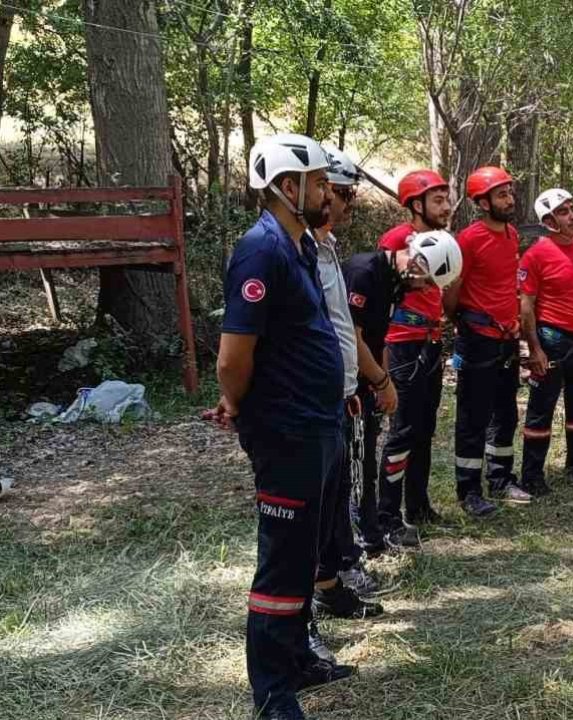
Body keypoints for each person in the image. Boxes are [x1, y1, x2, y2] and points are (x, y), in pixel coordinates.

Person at [214, 133, 352, 720]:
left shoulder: (299, 247)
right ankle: (271, 692)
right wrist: (235, 401)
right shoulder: (260, 251)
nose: (328, 192)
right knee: (281, 559)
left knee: (305, 553)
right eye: (319, 182)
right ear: (286, 187)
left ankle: (297, 656)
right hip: (287, 429)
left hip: (318, 424)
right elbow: (232, 355)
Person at [307, 146, 384, 656]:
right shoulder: (289, 252)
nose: (349, 201)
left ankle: (330, 587)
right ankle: (300, 618)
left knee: (334, 501)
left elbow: (343, 329)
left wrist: (361, 382)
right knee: (305, 514)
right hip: (306, 406)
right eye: (341, 191)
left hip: (340, 396)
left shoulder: (327, 246)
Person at [370, 170, 454, 548]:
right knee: (402, 431)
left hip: (430, 342)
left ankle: (418, 505)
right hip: (403, 346)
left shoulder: (441, 241)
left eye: (446, 198)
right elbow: (380, 288)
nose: (447, 206)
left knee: (423, 428)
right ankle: (387, 516)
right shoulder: (396, 240)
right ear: (416, 205)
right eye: (437, 200)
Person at [443, 166, 534, 517]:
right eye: (501, 195)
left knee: (505, 412)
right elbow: (452, 290)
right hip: (477, 338)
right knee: (472, 416)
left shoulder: (512, 234)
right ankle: (468, 490)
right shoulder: (468, 239)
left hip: (506, 339)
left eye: (510, 193)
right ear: (482, 202)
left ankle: (500, 479)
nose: (509, 200)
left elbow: (505, 284)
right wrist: (463, 321)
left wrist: (512, 322)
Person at [517, 188, 573, 495]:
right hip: (552, 341)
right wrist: (534, 349)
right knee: (541, 409)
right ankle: (531, 475)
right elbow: (526, 305)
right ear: (549, 220)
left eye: (572, 208)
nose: (572, 216)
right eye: (564, 212)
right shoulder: (536, 254)